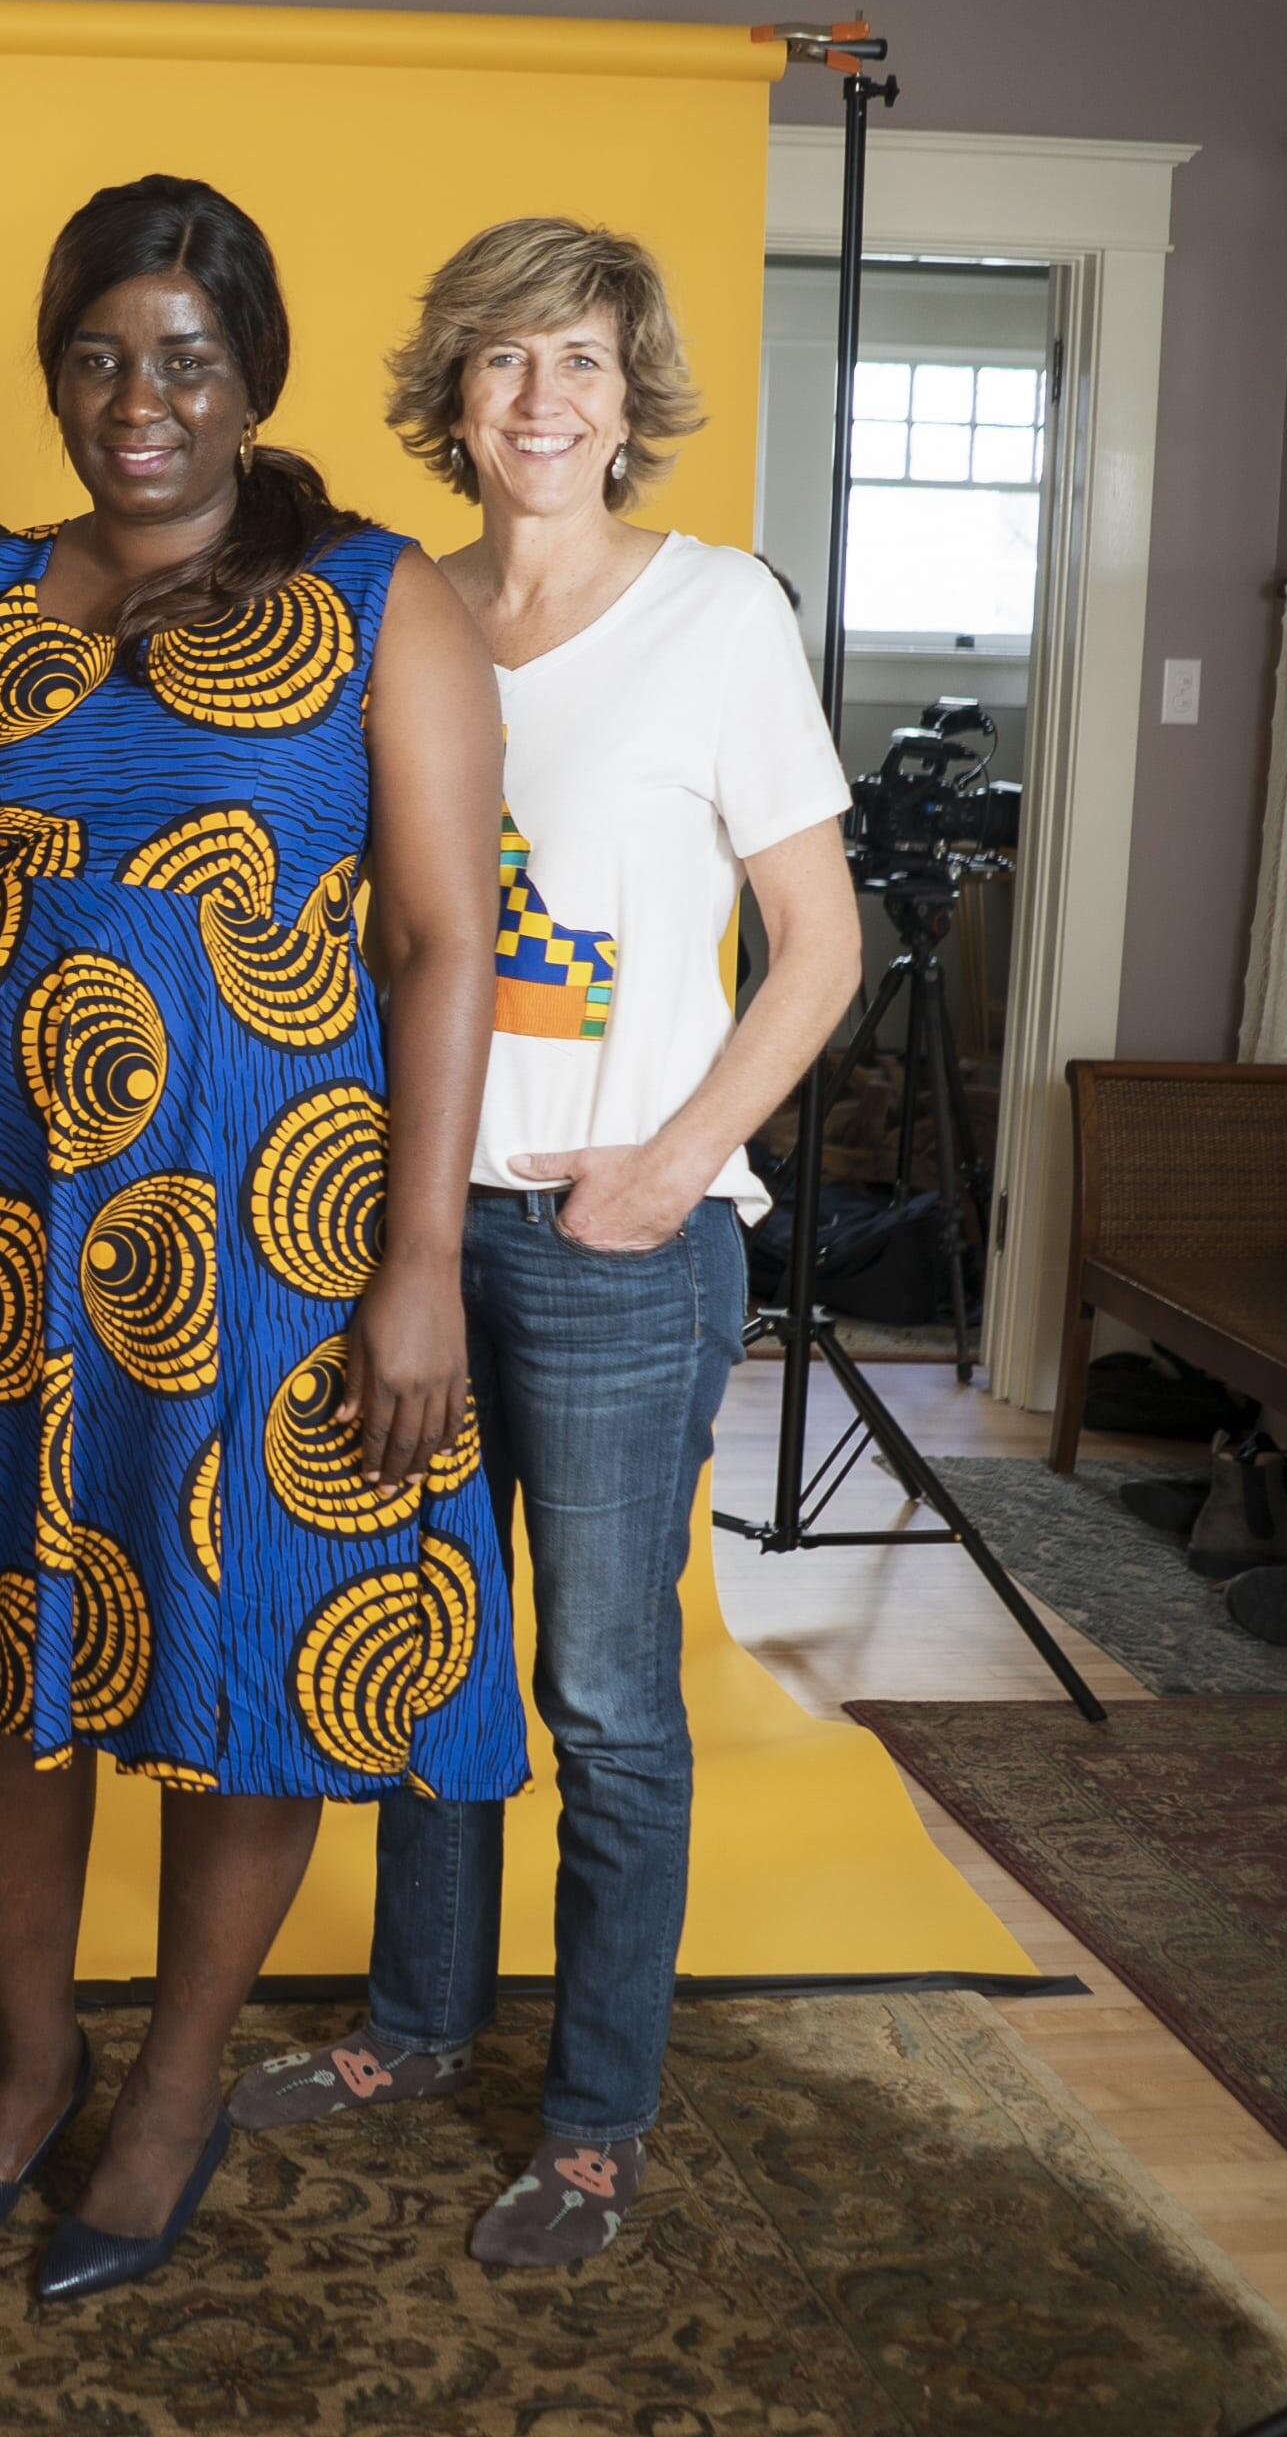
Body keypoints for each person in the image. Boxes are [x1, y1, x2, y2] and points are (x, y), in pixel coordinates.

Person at [0, 174, 514, 2303]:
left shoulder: (378, 602)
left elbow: (447, 943)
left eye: (183, 357)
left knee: (241, 1660)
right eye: (97, 356)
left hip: (270, 1234)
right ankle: (28, 2057)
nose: (138, 399)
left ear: (251, 375)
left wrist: (422, 1265)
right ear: (52, 375)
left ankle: (174, 2085)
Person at [223, 216, 860, 2273]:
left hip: (608, 1244)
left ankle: (590, 2118)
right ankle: (412, 2030)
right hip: (402, 1238)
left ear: (628, 395)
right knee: (421, 1658)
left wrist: (673, 1162)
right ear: (450, 394)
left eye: (576, 363)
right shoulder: (395, 608)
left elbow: (820, 942)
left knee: (598, 1698)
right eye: (501, 362)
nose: (536, 403)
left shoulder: (715, 619)